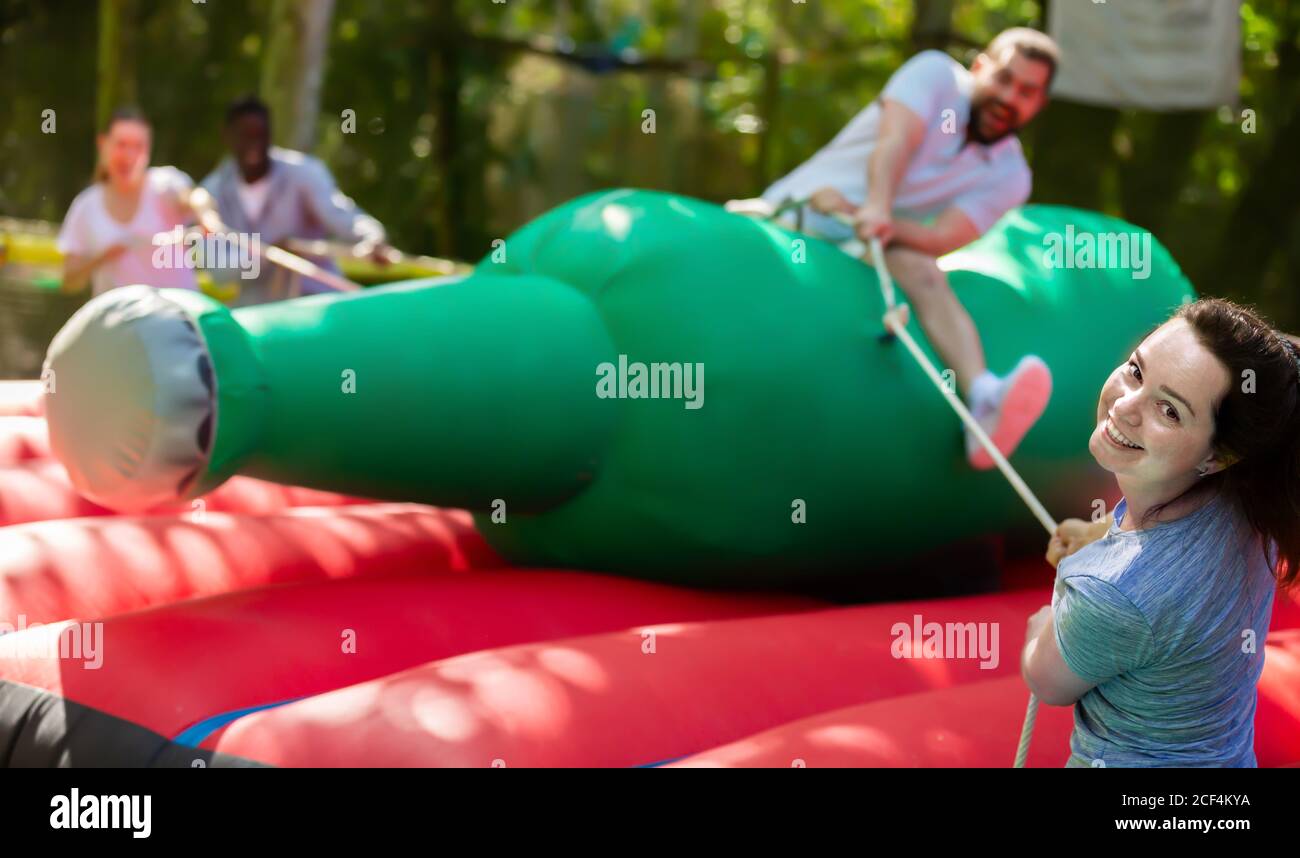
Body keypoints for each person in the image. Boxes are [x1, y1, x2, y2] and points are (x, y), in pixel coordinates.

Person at [730, 28, 1059, 469]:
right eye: (1004, 79)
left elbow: (943, 236)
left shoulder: (1011, 174)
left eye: (1026, 91)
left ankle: (983, 396)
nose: (1010, 97)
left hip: (864, 244)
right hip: (792, 221)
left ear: (1040, 105)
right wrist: (875, 207)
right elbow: (895, 142)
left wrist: (882, 224)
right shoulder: (935, 74)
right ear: (979, 66)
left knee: (924, 269)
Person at [1023, 298, 1299, 767]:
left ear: (1217, 457)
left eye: (1169, 410)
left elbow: (1047, 681)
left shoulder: (1109, 596)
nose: (1126, 407)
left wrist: (1044, 621)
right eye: (1136, 370)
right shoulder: (1251, 502)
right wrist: (1101, 537)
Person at [195, 96, 391, 306]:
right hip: (258, 316)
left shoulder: (304, 172)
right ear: (227, 136)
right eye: (245, 136)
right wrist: (269, 253)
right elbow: (218, 272)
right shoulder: (212, 192)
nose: (254, 144)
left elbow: (342, 216)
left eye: (261, 135)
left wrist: (373, 237)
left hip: (319, 301)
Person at [58, 108, 204, 296]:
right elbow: (70, 282)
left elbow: (195, 197)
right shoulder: (85, 206)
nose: (129, 155)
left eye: (138, 146)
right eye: (122, 144)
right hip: (118, 321)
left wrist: (207, 217)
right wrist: (104, 257)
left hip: (177, 318)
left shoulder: (166, 183)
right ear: (103, 144)